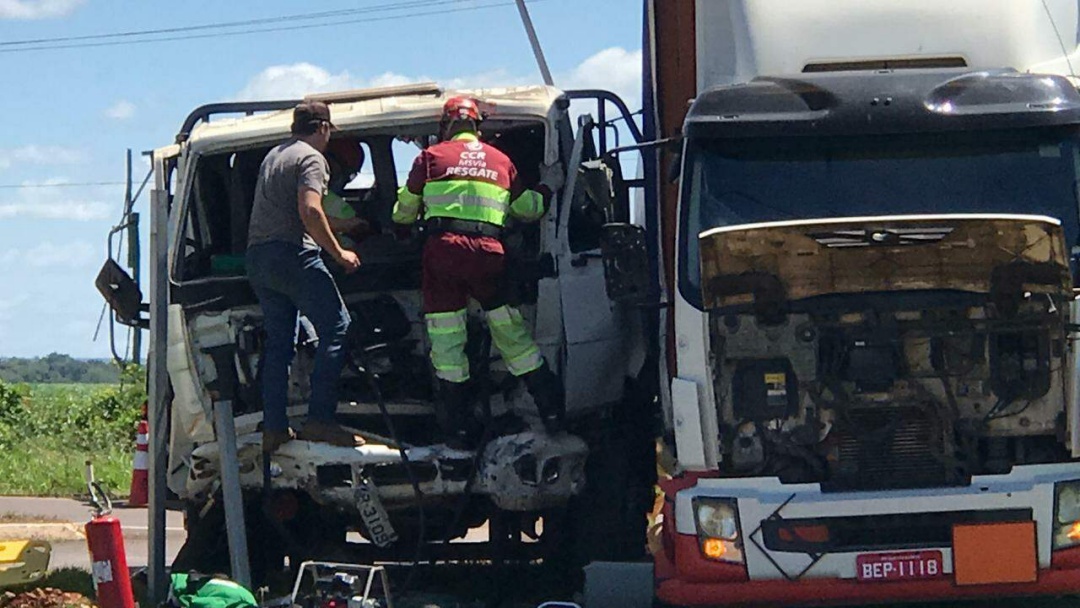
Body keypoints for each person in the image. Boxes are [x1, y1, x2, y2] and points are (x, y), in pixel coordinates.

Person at [392, 96, 565, 448]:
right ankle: (550, 408)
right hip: (489, 253)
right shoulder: (501, 160)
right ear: (478, 127)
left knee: (446, 337)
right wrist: (549, 186)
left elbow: (404, 212)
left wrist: (400, 221)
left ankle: (457, 428)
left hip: (444, 253)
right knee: (510, 330)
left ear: (446, 126)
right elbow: (528, 209)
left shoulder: (430, 158)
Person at [246, 100, 364, 454]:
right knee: (338, 326)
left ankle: (275, 427)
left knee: (280, 342)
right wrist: (339, 253)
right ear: (323, 128)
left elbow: (292, 212)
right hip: (292, 254)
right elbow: (311, 210)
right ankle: (320, 420)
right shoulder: (313, 158)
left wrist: (343, 229)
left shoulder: (275, 155)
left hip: (259, 258)